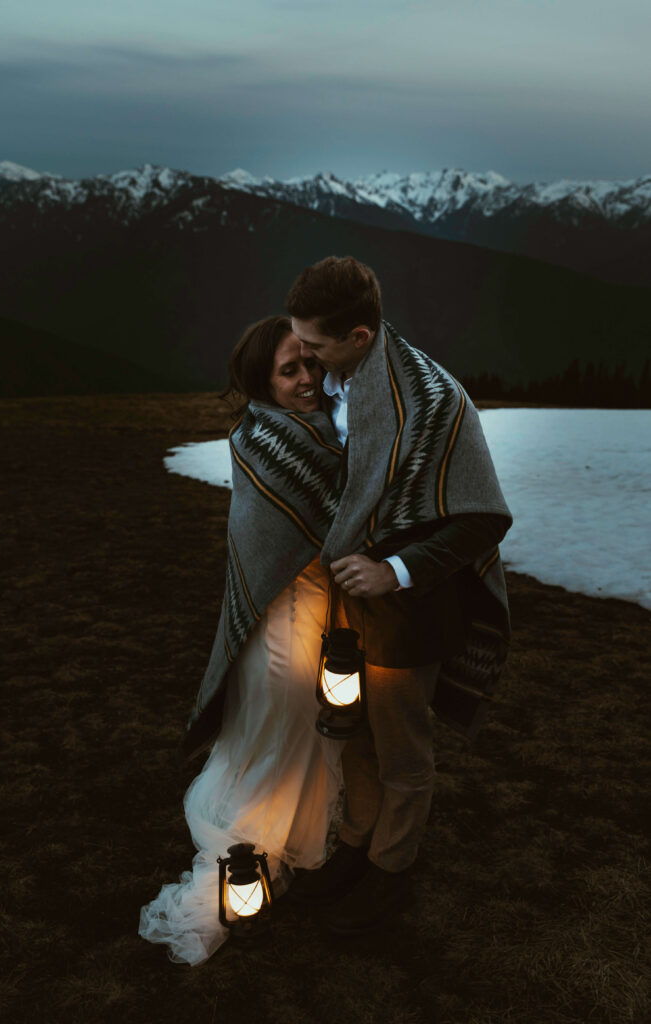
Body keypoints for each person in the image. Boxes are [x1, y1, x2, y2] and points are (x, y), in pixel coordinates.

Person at [283, 256, 513, 935]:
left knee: (400, 744)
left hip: (409, 611)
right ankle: (354, 844)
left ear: (358, 335)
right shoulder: (339, 380)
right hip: (342, 602)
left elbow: (482, 518)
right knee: (349, 731)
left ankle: (392, 866)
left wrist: (397, 570)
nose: (305, 356)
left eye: (316, 345)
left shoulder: (436, 401)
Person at [138, 315, 346, 965]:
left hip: (320, 609)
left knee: (299, 737)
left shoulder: (324, 429)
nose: (307, 378)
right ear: (263, 380)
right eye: (290, 370)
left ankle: (271, 842)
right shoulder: (266, 442)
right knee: (278, 734)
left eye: (311, 363)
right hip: (280, 620)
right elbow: (286, 541)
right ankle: (245, 855)